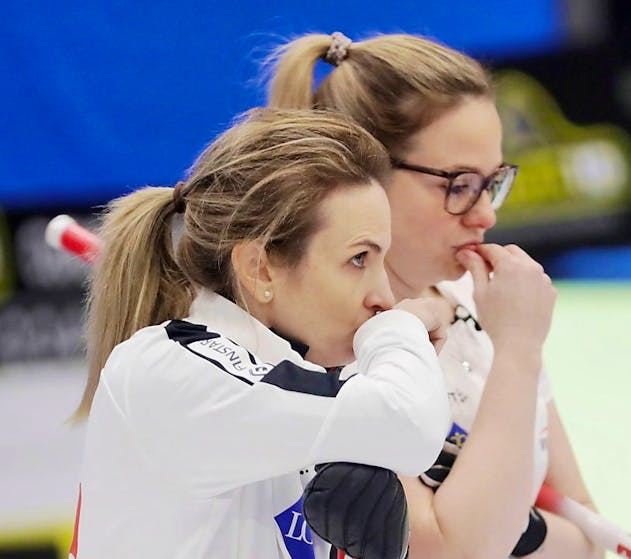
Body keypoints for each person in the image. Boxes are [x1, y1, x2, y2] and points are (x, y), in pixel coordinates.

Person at [267, 33, 602, 559]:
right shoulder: (322, 343)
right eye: (458, 183)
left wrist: (504, 521)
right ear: (361, 172)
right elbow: (447, 552)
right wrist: (517, 350)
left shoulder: (481, 303)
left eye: (492, 182)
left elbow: (585, 543)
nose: (486, 214)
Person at [70, 108, 451, 559]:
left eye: (381, 261)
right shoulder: (171, 369)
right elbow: (408, 423)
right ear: (260, 268)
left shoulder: (285, 386)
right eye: (358, 260)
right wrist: (400, 331)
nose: (383, 297)